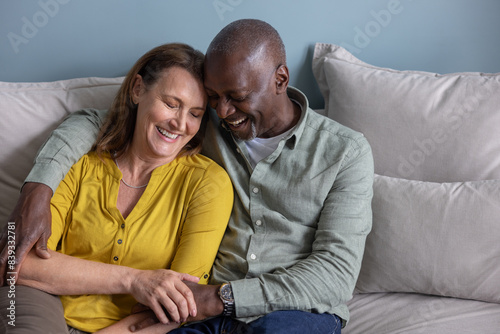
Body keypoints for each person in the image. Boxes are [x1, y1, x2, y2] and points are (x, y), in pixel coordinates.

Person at [1, 19, 373, 333]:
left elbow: (335, 273)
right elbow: (102, 123)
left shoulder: (345, 153)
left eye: (236, 96)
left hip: (285, 312)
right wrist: (38, 187)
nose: (223, 112)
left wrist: (219, 297)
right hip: (199, 314)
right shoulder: (202, 122)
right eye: (213, 98)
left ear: (280, 79)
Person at [0, 43, 233, 333]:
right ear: (137, 90)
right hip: (47, 308)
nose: (180, 123)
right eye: (171, 104)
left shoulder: (208, 184)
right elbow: (22, 264)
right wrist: (134, 280)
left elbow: (179, 303)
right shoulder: (80, 162)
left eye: (195, 114)